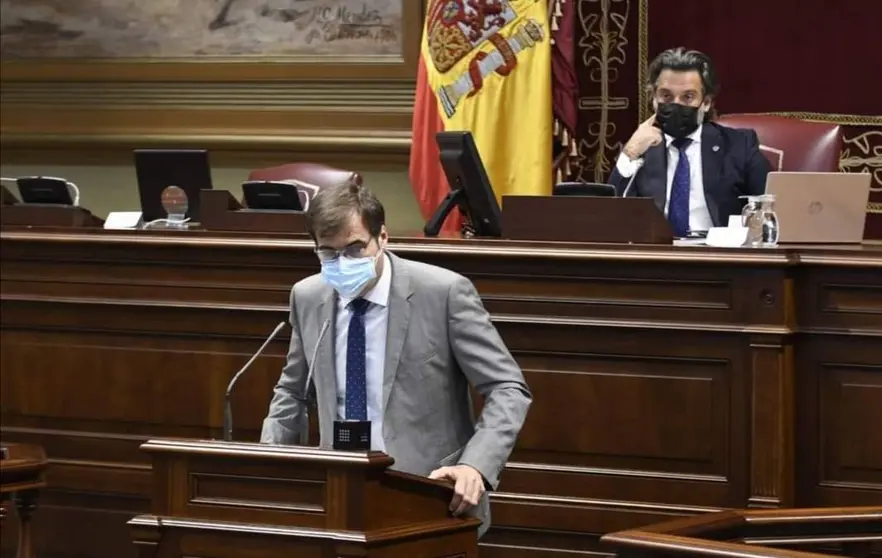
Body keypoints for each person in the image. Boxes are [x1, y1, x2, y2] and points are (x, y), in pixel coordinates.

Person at [260, 183, 531, 538]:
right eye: (328, 253)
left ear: (383, 237)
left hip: (430, 494)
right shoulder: (309, 297)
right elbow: (293, 392)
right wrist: (266, 462)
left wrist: (474, 466)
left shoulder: (443, 293)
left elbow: (507, 388)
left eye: (355, 249)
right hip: (340, 495)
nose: (343, 263)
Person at [608, 47, 771, 236]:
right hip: (656, 256)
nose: (676, 104)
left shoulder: (739, 145)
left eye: (688, 97)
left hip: (720, 257)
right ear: (653, 98)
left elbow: (771, 204)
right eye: (666, 96)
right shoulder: (641, 147)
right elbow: (610, 212)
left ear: (706, 102)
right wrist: (630, 152)